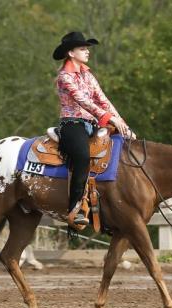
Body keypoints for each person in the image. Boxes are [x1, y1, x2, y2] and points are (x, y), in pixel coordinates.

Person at [53, 31, 133, 225]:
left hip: (93, 123)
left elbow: (102, 99)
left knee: (121, 147)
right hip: (72, 124)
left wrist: (122, 123)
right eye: (82, 48)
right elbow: (84, 102)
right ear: (71, 53)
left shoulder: (87, 75)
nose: (87, 52)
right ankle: (76, 208)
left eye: (87, 48)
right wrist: (110, 119)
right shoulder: (65, 77)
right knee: (82, 156)